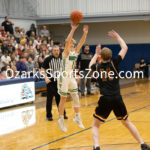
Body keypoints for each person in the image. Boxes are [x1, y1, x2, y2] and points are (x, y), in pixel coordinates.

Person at [89, 30, 150, 150]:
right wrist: (117, 36)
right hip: (117, 97)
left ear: (101, 57)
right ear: (111, 56)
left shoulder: (97, 66)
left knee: (96, 125)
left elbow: (89, 64)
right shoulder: (114, 63)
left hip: (104, 98)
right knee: (126, 122)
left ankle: (96, 147)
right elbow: (125, 47)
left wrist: (96, 54)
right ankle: (142, 144)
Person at [58, 23, 88, 132]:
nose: (72, 45)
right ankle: (61, 119)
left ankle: (77, 116)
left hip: (71, 76)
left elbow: (82, 42)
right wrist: (73, 29)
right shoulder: (65, 52)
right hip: (64, 76)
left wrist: (85, 33)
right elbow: (67, 41)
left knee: (76, 95)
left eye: (72, 44)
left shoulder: (75, 52)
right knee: (63, 98)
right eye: (70, 43)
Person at [41, 45, 68, 121]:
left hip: (60, 81)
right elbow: (42, 68)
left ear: (59, 51)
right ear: (52, 51)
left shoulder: (62, 58)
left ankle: (62, 114)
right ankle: (49, 115)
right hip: (51, 81)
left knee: (60, 99)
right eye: (55, 50)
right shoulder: (48, 59)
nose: (56, 52)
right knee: (49, 99)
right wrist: (45, 78)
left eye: (57, 50)